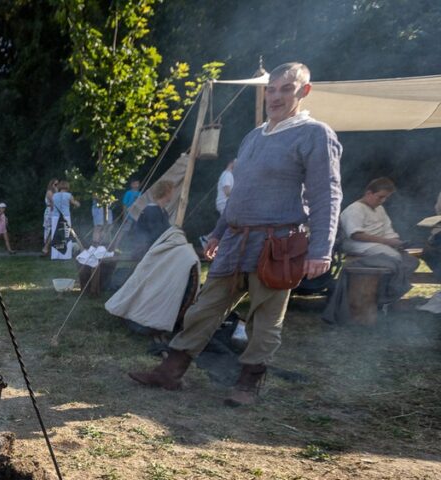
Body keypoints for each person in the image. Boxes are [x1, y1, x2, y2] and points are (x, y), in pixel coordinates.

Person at [129, 62, 342, 407]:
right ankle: (171, 371)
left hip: (278, 244)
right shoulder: (253, 136)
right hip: (235, 241)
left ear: (304, 91)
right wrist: (217, 232)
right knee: (203, 308)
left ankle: (247, 383)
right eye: (271, 89)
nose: (275, 96)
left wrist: (321, 249)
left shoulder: (315, 134)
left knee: (264, 320)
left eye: (286, 88)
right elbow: (239, 193)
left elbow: (326, 193)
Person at [335, 177, 417, 303]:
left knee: (411, 261)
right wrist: (389, 243)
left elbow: (388, 230)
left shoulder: (380, 209)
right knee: (393, 256)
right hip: (357, 244)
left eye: (386, 198)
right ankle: (382, 295)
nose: (383, 200)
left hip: (378, 245)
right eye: (380, 197)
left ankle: (385, 292)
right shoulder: (354, 209)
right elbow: (356, 235)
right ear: (369, 193)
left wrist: (398, 243)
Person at [122, 179, 174, 259]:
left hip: (154, 249)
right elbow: (157, 234)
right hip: (145, 252)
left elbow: (166, 230)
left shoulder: (162, 211)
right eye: (171, 192)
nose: (172, 195)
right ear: (166, 193)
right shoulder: (151, 211)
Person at [50, 180, 80, 260]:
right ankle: (65, 255)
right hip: (65, 217)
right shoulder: (69, 195)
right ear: (67, 187)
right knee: (66, 235)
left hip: (55, 217)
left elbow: (52, 207)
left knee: (55, 236)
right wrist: (77, 203)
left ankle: (55, 256)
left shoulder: (54, 195)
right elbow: (75, 204)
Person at [41, 179, 59, 255]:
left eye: (57, 184)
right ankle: (46, 248)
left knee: (53, 229)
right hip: (50, 211)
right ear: (51, 185)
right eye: (55, 184)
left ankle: (47, 248)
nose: (56, 186)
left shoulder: (54, 192)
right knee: (49, 229)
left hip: (53, 211)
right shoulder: (49, 192)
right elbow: (53, 202)